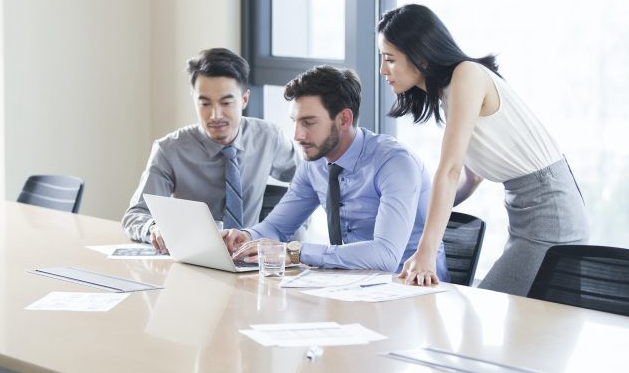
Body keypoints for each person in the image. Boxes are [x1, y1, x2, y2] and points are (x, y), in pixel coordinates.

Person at [376, 4, 588, 295]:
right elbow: (471, 177)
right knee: (513, 321)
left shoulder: (467, 75)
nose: (382, 70)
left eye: (390, 59)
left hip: (549, 211)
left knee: (494, 304)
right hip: (528, 211)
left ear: (420, 56)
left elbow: (450, 171)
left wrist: (427, 251)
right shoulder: (450, 93)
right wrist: (422, 212)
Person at [224, 65, 449, 279]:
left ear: (344, 119)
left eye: (308, 123)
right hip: (350, 285)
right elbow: (276, 227)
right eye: (295, 122)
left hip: (409, 288)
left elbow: (386, 256)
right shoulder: (314, 163)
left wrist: (295, 253)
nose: (297, 135)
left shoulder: (395, 163)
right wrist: (246, 237)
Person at [122, 47, 300, 251]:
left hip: (252, 258)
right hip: (195, 259)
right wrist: (154, 227)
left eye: (226, 103)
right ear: (193, 99)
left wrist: (293, 225)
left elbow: (308, 178)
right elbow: (135, 215)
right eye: (205, 103)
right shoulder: (170, 150)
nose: (215, 115)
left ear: (244, 99)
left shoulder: (268, 138)